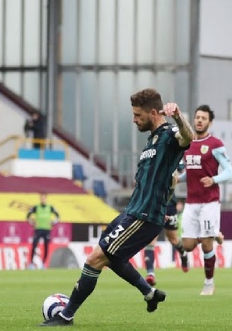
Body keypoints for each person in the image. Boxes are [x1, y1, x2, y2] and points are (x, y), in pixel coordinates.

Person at [40, 88, 194, 326]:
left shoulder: (169, 134)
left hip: (144, 216)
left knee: (95, 259)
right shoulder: (151, 140)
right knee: (113, 259)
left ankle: (66, 315)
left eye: (137, 115)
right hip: (132, 212)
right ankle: (150, 294)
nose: (133, 120)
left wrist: (178, 116)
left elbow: (188, 137)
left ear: (154, 113)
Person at [177, 104, 232, 296]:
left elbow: (229, 172)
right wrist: (178, 178)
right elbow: (189, 171)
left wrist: (214, 179)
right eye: (197, 117)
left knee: (207, 245)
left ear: (210, 122)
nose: (199, 120)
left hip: (209, 201)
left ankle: (209, 283)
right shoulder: (187, 143)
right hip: (191, 202)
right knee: (187, 245)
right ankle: (212, 232)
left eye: (203, 118)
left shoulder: (215, 144)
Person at [144, 191, 190, 287]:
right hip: (153, 205)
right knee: (150, 239)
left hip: (169, 205)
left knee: (173, 239)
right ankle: (150, 274)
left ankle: (183, 254)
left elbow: (175, 179)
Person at [26, 193, 61, 269]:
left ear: (46, 199)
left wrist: (53, 222)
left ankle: (43, 263)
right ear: (40, 199)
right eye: (41, 198)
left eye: (44, 198)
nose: (43, 200)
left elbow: (58, 216)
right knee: (34, 245)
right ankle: (31, 263)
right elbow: (28, 215)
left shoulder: (50, 207)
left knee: (46, 247)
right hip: (38, 229)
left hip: (47, 229)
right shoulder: (36, 207)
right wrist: (32, 223)